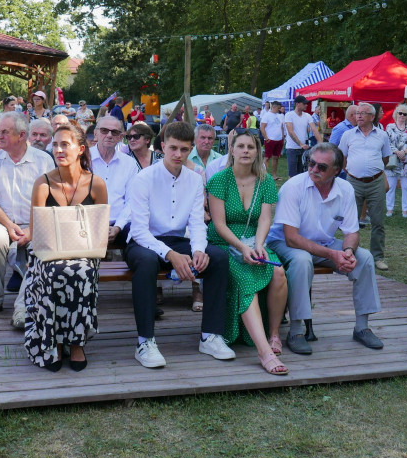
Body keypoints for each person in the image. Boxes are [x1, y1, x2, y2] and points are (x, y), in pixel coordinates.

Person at [124, 121, 234, 368]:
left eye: (184, 150)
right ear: (163, 146)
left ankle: (210, 335)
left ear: (191, 149)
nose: (178, 155)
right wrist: (172, 255)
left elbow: (197, 223)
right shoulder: (144, 178)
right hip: (143, 242)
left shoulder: (195, 180)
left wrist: (198, 250)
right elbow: (139, 231)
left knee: (217, 257)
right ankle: (145, 341)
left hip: (177, 239)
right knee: (147, 261)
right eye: (173, 148)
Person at [267, 142, 383, 354]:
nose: (313, 169)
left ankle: (362, 327)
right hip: (283, 243)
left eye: (321, 167)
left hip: (322, 244)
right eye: (311, 163)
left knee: (364, 258)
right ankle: (296, 331)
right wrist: (332, 254)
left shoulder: (345, 188)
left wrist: (347, 252)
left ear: (336, 171)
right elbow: (291, 238)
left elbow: (352, 232)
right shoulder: (293, 186)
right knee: (302, 260)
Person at [25, 123, 109, 372]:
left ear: (81, 149)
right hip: (48, 250)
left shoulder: (97, 184)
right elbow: (36, 231)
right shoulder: (43, 183)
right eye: (55, 145)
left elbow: (100, 230)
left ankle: (76, 343)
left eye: (65, 144)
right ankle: (54, 342)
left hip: (85, 251)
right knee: (54, 271)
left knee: (81, 271)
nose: (58, 150)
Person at [206, 130, 289, 375]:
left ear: (257, 152)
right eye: (240, 146)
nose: (245, 151)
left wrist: (260, 245)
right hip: (224, 241)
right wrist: (242, 248)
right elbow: (219, 224)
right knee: (244, 279)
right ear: (231, 150)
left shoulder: (265, 181)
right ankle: (264, 353)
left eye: (250, 147)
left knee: (279, 273)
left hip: (255, 239)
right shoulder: (219, 180)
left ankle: (274, 334)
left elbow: (265, 218)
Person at [0, 112, 55, 323]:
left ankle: (22, 308)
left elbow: (50, 201)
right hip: (4, 221)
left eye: (4, 132)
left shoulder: (43, 161)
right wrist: (9, 225)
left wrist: (32, 229)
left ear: (21, 135)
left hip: (37, 223)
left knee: (38, 250)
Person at [338, 103, 392, 272]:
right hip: (353, 182)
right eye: (357, 113)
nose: (359, 116)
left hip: (375, 182)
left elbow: (385, 159)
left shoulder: (382, 135)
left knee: (378, 222)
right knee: (351, 222)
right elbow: (342, 158)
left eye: (363, 113)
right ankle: (351, 254)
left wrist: (373, 171)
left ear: (372, 116)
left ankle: (378, 257)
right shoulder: (348, 135)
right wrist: (352, 171)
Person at [89, 114, 138, 251]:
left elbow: (132, 200)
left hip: (121, 225)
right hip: (88, 224)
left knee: (140, 235)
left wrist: (118, 227)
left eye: (115, 132)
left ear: (120, 137)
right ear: (96, 133)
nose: (109, 135)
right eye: (104, 131)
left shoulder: (129, 164)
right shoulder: (82, 159)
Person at [385, 103, 407, 218]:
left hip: (406, 162)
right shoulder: (390, 127)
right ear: (396, 114)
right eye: (400, 113)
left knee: (406, 187)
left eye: (405, 114)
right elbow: (387, 142)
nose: (402, 116)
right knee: (390, 186)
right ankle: (389, 209)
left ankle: (405, 210)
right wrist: (397, 152)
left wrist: (405, 152)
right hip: (393, 161)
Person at [284, 96, 315, 177]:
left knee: (302, 174)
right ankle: (291, 189)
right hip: (292, 148)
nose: (306, 105)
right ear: (297, 104)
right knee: (292, 175)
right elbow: (290, 131)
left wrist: (321, 144)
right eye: (304, 103)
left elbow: (314, 130)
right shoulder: (289, 115)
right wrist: (301, 144)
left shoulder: (307, 115)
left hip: (303, 149)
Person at [261, 102, 285, 180]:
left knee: (276, 157)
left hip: (279, 140)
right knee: (267, 157)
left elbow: (281, 126)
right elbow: (262, 127)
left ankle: (274, 175)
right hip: (270, 139)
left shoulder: (280, 116)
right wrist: (266, 138)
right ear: (274, 107)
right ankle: (263, 174)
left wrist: (282, 136)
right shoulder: (267, 115)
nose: (280, 109)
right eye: (278, 108)